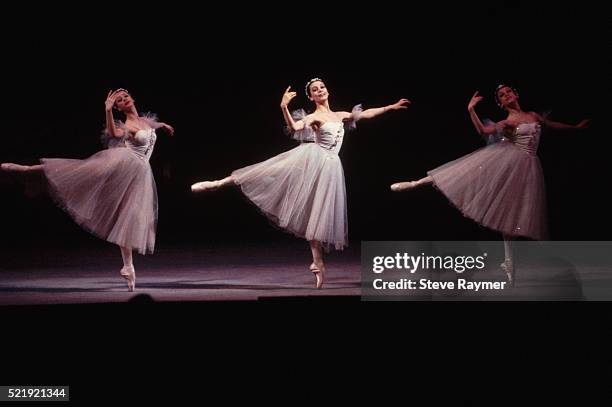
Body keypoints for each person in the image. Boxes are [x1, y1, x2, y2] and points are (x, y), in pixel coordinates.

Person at [192, 78, 410, 288]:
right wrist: (284, 107)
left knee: (317, 214)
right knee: (268, 170)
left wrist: (391, 106)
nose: (320, 90)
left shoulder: (341, 115)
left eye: (322, 87)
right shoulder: (314, 117)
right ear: (311, 96)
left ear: (327, 90)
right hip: (312, 158)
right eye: (315, 89)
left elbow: (367, 114)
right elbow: (296, 128)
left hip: (330, 167)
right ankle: (220, 183)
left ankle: (318, 262)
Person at [390, 84, 589, 285]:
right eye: (502, 95)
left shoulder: (533, 115)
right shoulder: (508, 121)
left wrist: (575, 127)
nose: (506, 95)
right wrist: (471, 110)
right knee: (465, 170)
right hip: (508, 160)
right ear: (501, 103)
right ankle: (417, 182)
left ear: (516, 94)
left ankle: (509, 262)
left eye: (508, 92)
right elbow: (485, 130)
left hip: (528, 167)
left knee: (510, 216)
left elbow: (551, 124)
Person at [1, 89, 174, 291]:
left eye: (125, 96)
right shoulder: (127, 125)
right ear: (118, 107)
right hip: (122, 165)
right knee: (80, 172)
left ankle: (128, 266)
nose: (124, 100)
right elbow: (113, 133)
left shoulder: (145, 120)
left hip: (140, 172)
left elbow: (151, 127)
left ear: (132, 98)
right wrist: (107, 110)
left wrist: (163, 125)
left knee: (129, 216)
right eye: (119, 100)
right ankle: (27, 170)